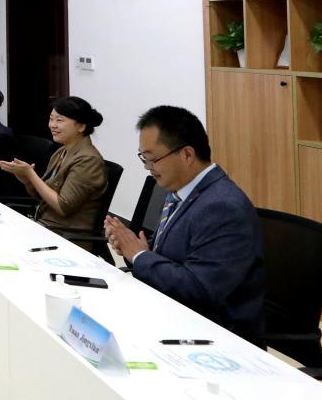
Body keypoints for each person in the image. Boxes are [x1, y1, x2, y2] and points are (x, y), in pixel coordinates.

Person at [105, 105, 265, 343]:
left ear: (187, 155)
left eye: (152, 159)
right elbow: (173, 254)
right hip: (173, 313)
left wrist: (139, 256)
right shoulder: (180, 190)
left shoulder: (222, 207)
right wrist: (132, 248)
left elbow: (199, 289)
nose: (148, 168)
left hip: (216, 336)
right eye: (144, 158)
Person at [0, 96, 108, 241]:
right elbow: (42, 197)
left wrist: (31, 175)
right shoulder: (61, 151)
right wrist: (27, 180)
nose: (52, 125)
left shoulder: (88, 160)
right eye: (51, 119)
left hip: (66, 234)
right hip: (45, 224)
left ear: (81, 126)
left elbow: (63, 207)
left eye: (59, 120)